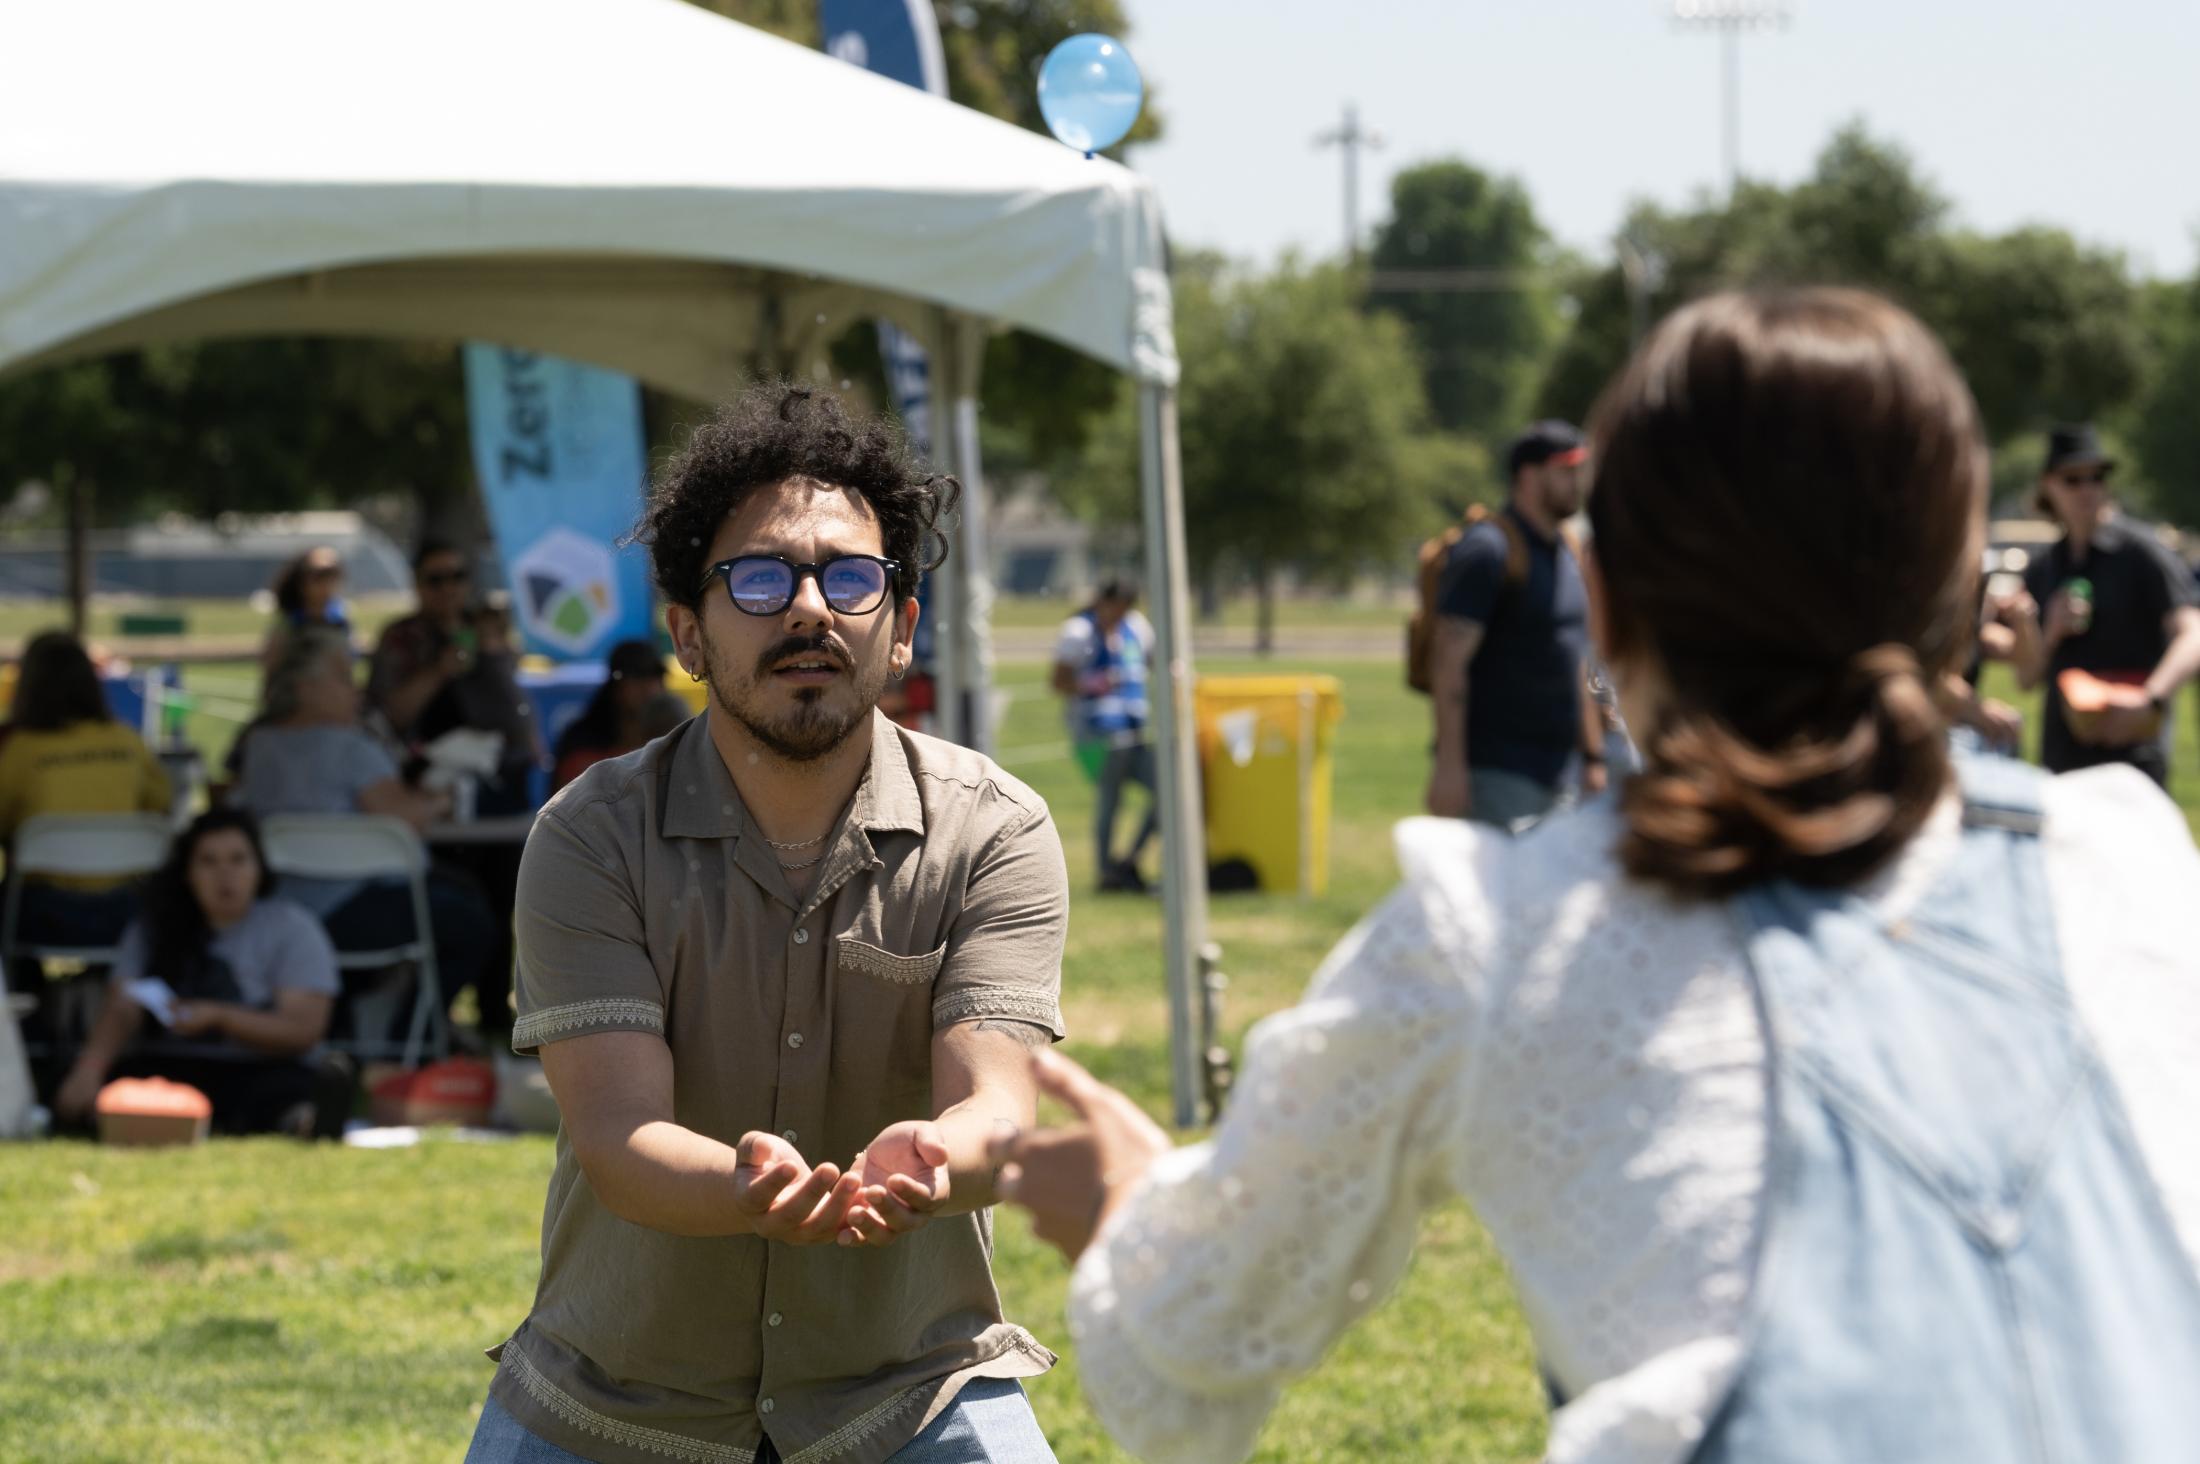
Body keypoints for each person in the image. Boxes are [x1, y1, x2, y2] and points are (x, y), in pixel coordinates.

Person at [992, 291, 2200, 1464]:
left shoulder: (1498, 934)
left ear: (1605, 597)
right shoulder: (2121, 855)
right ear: (1960, 596)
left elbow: (1181, 1365)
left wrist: (1121, 1201)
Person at [466, 383, 1068, 1464]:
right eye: (759, 577)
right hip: (618, 1400)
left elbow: (998, 1112)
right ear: (689, 633)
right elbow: (616, 1140)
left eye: (850, 577)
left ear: (900, 631)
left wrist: (935, 1158)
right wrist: (749, 1190)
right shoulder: (591, 835)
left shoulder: (995, 831)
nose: (809, 608)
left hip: (907, 1391)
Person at [235, 627, 496, 1043]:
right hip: (351, 909)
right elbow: (404, 818)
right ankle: (409, 1040)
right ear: (306, 688)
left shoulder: (257, 746)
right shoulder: (352, 748)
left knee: (453, 894)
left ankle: (353, 1027)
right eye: (342, 676)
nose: (354, 689)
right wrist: (441, 801)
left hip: (283, 908)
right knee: (473, 919)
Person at [51, 808, 351, 1139]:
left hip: (262, 1066)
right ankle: (96, 1114)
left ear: (259, 867)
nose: (225, 875)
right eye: (208, 862)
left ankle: (307, 1122)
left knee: (281, 1094)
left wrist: (221, 1018)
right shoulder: (154, 927)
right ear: (187, 873)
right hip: (170, 1067)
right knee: (123, 1085)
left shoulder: (294, 928)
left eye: (238, 860)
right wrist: (89, 1069)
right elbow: (122, 1007)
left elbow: (303, 1030)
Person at [1424, 420, 1607, 830]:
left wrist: (1593, 756)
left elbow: (1577, 660)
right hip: (1496, 774)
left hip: (1562, 775)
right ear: (1528, 475)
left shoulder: (1568, 550)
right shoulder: (1488, 550)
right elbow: (1448, 664)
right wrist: (1450, 768)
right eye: (1566, 470)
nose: (1577, 481)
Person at [1994, 424, 2200, 786]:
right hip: (2063, 756)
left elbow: (2194, 634)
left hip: (2133, 756)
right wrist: (2050, 632)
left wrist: (2150, 699)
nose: (2088, 488)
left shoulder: (2142, 551)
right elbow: (2026, 679)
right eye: (2073, 479)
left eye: (2097, 476)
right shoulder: (2045, 566)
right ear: (2048, 484)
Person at [0, 630, 172, 948]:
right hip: (128, 914)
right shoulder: (127, 741)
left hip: (42, 915)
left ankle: (24, 991)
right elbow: (162, 810)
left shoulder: (19, 750)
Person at [1051, 577, 1157, 891]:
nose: (1118, 616)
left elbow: (1153, 662)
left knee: (1166, 791)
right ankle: (1105, 871)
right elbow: (1057, 681)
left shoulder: (1136, 627)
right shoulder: (1078, 631)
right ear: (1102, 603)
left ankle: (1129, 861)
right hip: (1098, 735)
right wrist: (1089, 684)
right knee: (1111, 798)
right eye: (1115, 608)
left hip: (1134, 730)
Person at [413, 593, 545, 816]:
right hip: (472, 784)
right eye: (482, 635)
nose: (491, 644)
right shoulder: (462, 677)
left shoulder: (500, 668)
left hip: (508, 778)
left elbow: (521, 720)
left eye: (498, 633)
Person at [365, 537, 477, 743]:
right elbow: (387, 717)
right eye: (436, 580)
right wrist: (439, 671)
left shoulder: (482, 627)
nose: (448, 588)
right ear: (417, 584)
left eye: (457, 577)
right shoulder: (400, 637)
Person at [549, 638, 670, 792]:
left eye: (656, 677)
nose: (649, 688)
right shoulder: (581, 742)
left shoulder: (673, 737)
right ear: (616, 686)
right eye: (637, 677)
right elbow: (562, 806)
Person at [261, 545, 350, 670]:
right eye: (320, 575)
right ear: (300, 580)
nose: (328, 583)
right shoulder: (289, 625)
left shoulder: (340, 621)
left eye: (334, 574)